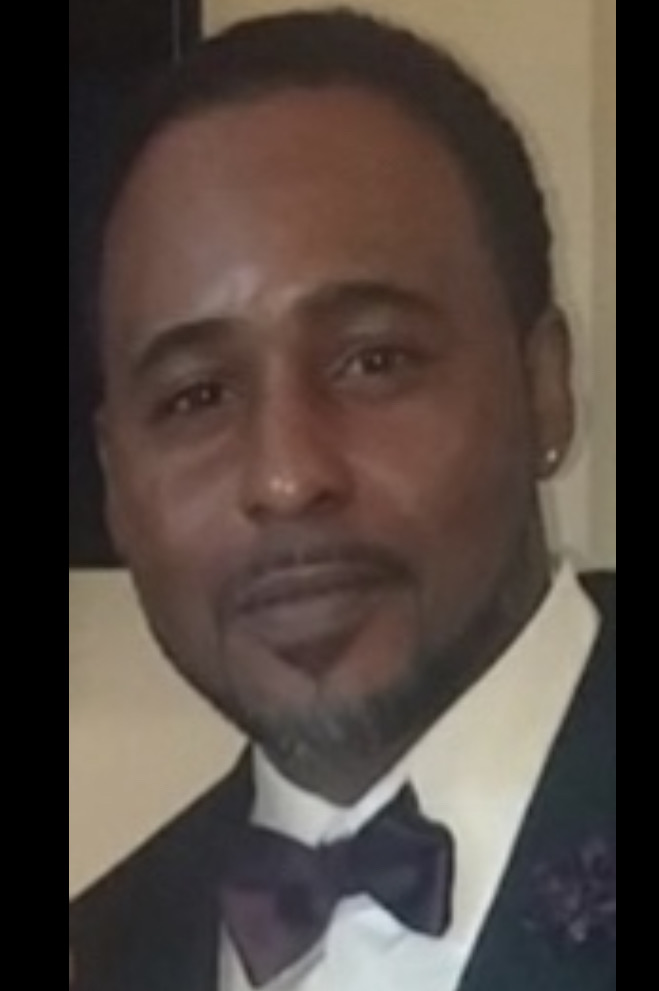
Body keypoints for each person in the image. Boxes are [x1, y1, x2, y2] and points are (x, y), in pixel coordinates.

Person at [69, 9, 616, 991]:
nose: (285, 476)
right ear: (116, 481)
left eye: (373, 360)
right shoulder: (102, 951)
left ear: (543, 387)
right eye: (196, 396)